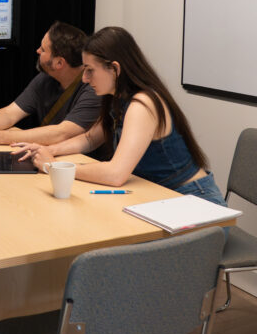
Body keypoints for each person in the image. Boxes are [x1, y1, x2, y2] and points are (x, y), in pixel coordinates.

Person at [16, 25, 226, 205]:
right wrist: (47, 150)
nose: (85, 79)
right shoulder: (117, 98)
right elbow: (89, 139)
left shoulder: (143, 105)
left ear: (114, 69)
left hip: (196, 203)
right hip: (161, 198)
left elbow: (115, 174)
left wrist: (52, 166)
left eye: (90, 70)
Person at [0, 21, 102, 147]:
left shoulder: (93, 89)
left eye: (43, 50)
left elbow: (63, 133)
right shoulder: (46, 78)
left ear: (59, 63)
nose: (37, 51)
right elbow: (9, 114)